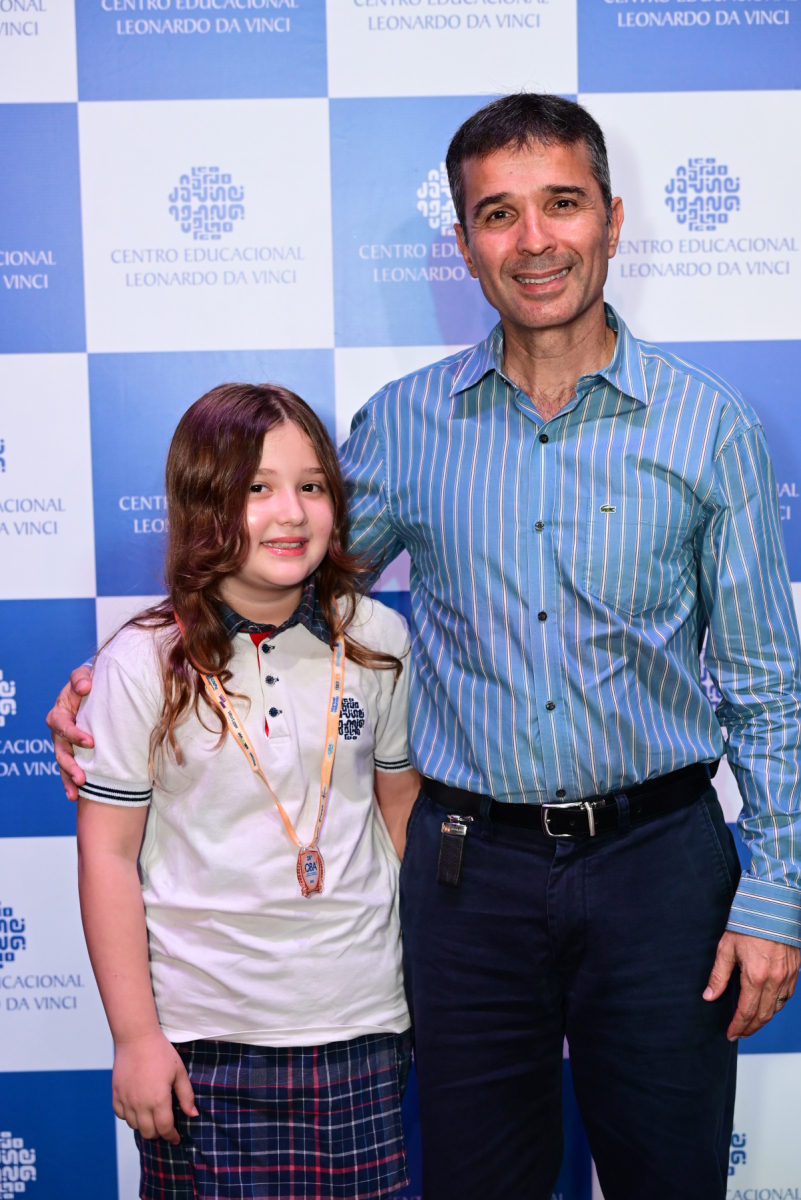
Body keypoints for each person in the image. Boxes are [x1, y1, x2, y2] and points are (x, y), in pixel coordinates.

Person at [49, 95, 801, 1200]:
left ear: (612, 219)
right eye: (498, 214)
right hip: (466, 875)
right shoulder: (403, 425)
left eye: (562, 204)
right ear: (463, 244)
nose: (534, 240)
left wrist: (775, 891)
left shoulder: (710, 426)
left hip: (661, 868)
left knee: (670, 1179)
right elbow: (284, 566)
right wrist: (133, 662)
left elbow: (767, 687)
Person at [71, 383, 419, 1200]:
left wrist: (429, 990)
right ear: (202, 504)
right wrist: (135, 1037)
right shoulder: (141, 662)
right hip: (204, 1037)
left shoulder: (377, 637)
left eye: (311, 485)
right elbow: (107, 857)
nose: (290, 513)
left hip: (363, 1022)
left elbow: (401, 810)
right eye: (256, 488)